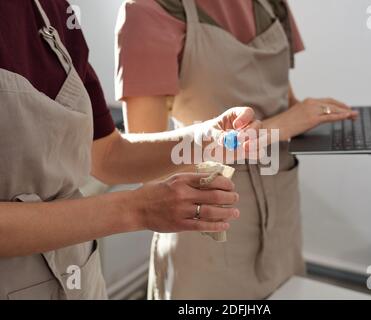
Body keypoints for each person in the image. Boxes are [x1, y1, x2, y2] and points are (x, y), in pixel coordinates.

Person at [0, 0, 259, 300]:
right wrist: (136, 209)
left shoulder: (54, 11)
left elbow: (107, 155)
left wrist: (203, 139)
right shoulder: (145, 13)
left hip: (78, 282)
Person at [116, 0, 359, 299]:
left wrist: (323, 119)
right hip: (209, 223)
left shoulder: (271, 4)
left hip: (283, 215)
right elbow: (144, 167)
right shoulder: (148, 11)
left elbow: (282, 100)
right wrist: (281, 125)